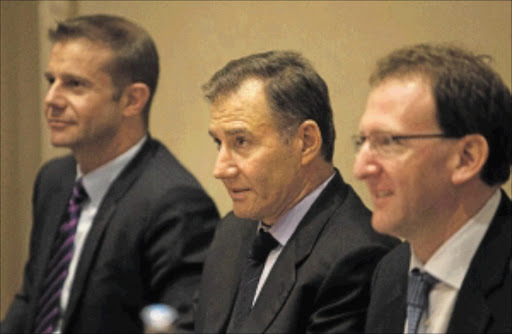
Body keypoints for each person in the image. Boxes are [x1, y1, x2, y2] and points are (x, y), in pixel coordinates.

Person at [1, 15, 219, 333]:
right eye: (52, 81)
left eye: (74, 84)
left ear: (132, 100)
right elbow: (31, 298)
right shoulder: (54, 179)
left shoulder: (175, 204)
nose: (51, 99)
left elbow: (182, 326)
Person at [194, 50, 398, 333]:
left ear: (306, 142)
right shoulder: (232, 230)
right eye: (219, 143)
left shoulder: (359, 255)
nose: (220, 169)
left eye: (241, 142)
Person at [354, 44, 511, 333]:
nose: (361, 169)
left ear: (467, 158)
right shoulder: (390, 272)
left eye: (388, 141)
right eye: (361, 143)